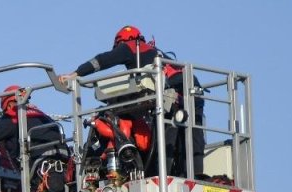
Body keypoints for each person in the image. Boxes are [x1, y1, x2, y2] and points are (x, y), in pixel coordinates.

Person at [59, 26, 205, 177]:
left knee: (165, 133)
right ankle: (196, 173)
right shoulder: (153, 51)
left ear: (120, 42)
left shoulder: (129, 47)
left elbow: (102, 60)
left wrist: (75, 74)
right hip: (191, 85)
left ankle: (162, 174)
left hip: (171, 89)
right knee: (192, 129)